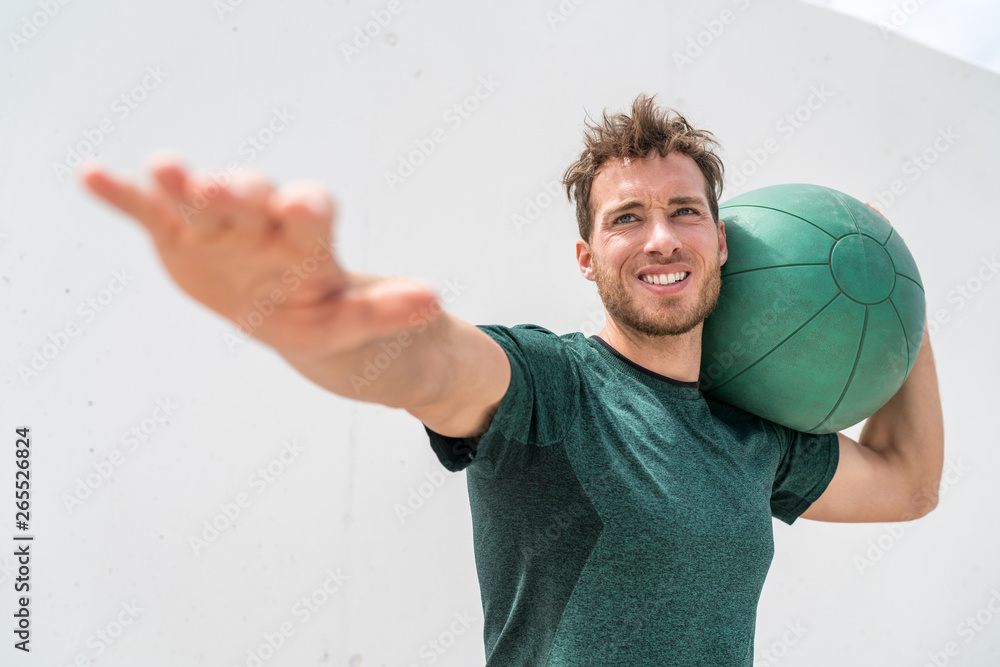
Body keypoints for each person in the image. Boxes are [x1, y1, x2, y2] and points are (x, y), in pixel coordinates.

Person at [81, 93, 944, 666]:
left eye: (685, 211)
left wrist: (897, 295)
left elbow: (909, 482)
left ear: (722, 241)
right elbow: (434, 361)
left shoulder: (754, 437)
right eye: (627, 219)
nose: (660, 239)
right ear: (586, 257)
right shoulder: (550, 385)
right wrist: (322, 321)